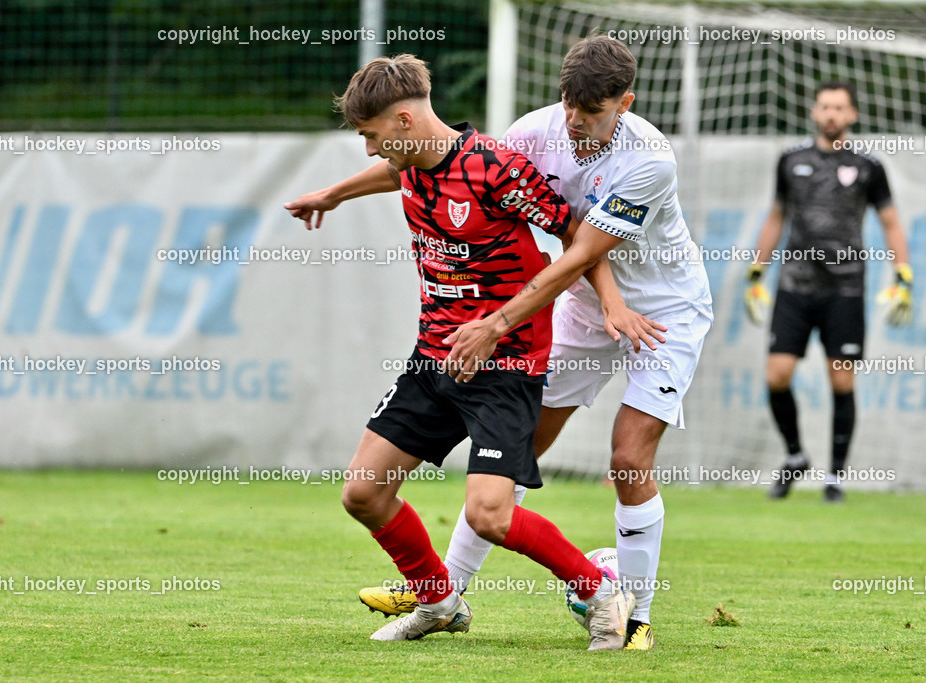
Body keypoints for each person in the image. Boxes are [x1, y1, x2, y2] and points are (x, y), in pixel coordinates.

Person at [302, 36, 713, 651]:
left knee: (628, 457)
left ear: (624, 103)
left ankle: (632, 610)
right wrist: (334, 192)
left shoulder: (650, 159)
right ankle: (444, 592)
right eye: (567, 104)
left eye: (591, 111)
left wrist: (510, 322)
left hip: (658, 310)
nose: (574, 121)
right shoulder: (528, 133)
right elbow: (432, 160)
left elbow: (583, 242)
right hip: (566, 302)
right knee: (517, 459)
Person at [744, 80, 912, 503]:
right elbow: (776, 215)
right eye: (825, 107)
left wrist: (903, 274)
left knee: (841, 381)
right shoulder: (790, 160)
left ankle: (835, 477)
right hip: (794, 285)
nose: (831, 114)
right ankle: (795, 455)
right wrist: (756, 272)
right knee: (776, 375)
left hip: (846, 289)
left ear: (852, 114)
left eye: (839, 108)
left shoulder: (869, 166)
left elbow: (890, 222)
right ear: (814, 112)